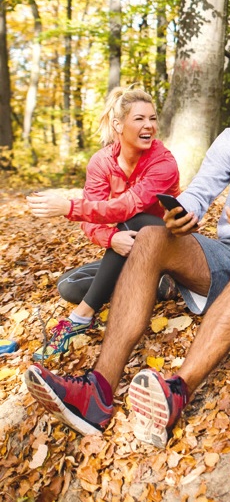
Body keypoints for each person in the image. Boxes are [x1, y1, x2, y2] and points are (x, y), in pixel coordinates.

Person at [25, 54, 230, 446]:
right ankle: (97, 392)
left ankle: (179, 389)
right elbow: (199, 189)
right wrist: (184, 214)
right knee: (152, 235)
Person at [26, 87, 180, 360]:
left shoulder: (163, 162)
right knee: (68, 285)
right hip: (133, 250)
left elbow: (125, 207)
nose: (149, 126)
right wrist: (110, 240)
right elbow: (90, 222)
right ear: (118, 125)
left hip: (170, 245)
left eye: (152, 118)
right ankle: (157, 285)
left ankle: (81, 317)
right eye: (140, 119)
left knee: (132, 219)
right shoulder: (101, 162)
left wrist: (68, 206)